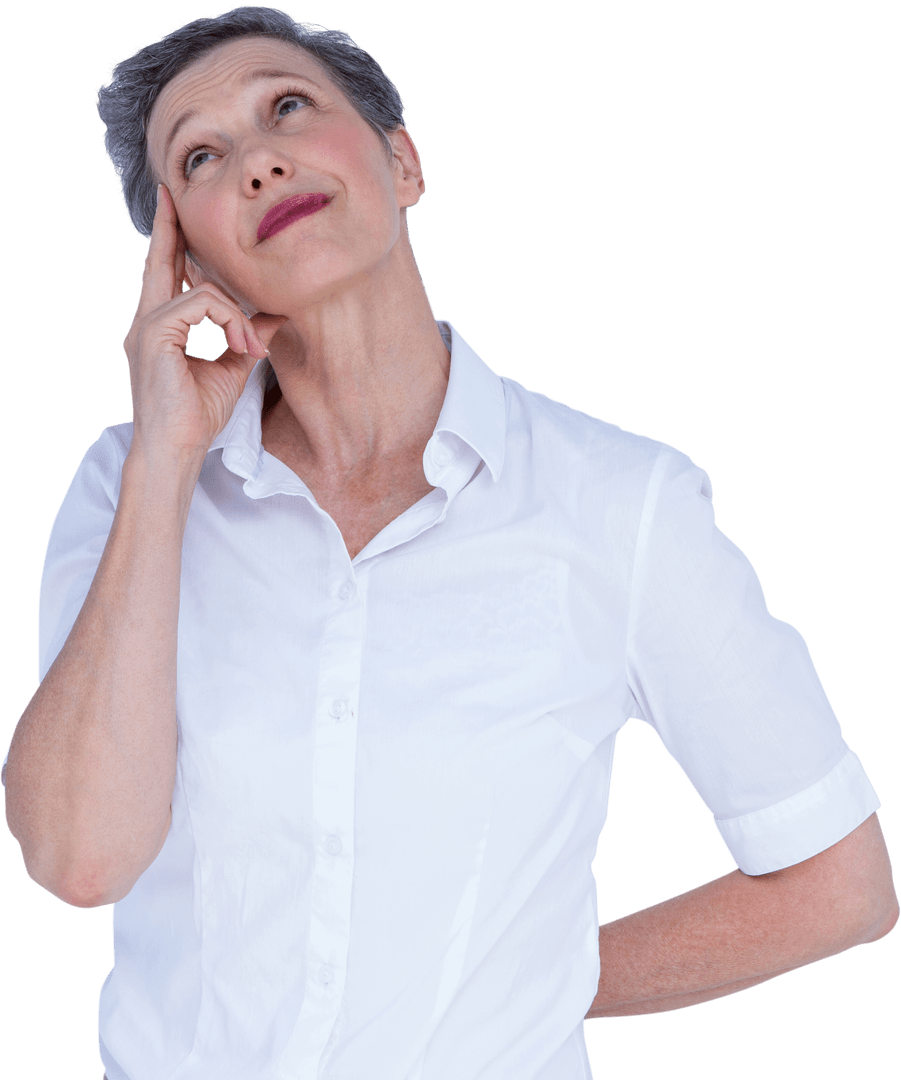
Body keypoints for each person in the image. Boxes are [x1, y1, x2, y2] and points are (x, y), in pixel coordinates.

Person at [2, 6, 897, 1079]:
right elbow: (79, 858)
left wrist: (522, 980)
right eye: (201, 155)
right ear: (184, 256)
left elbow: (839, 887)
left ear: (402, 159)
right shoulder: (124, 484)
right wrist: (164, 459)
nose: (257, 159)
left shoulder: (619, 502)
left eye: (287, 106)